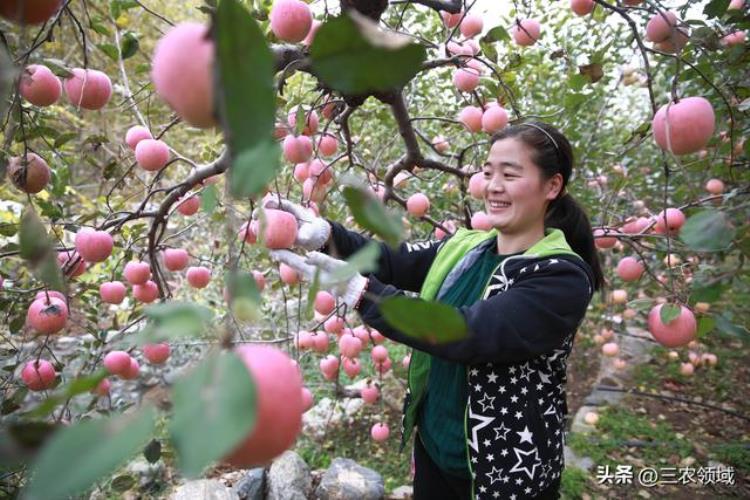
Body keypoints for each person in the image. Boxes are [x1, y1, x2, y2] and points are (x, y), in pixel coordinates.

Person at [268, 121, 604, 500]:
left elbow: (469, 332)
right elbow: (392, 262)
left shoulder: (561, 276)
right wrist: (328, 236)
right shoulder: (466, 248)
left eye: (510, 174)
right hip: (435, 452)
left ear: (552, 186)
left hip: (507, 471)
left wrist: (365, 295)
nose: (493, 185)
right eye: (488, 172)